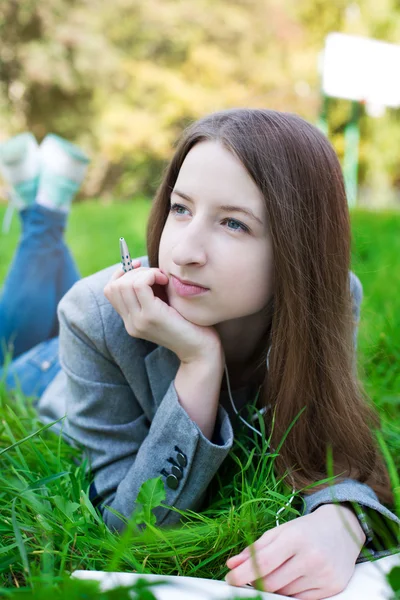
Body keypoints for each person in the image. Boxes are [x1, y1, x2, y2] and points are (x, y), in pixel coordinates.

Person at [0, 110, 399, 600]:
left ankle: (43, 207)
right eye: (181, 208)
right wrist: (199, 364)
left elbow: (334, 438)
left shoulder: (331, 299)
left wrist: (343, 520)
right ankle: (42, 213)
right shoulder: (91, 316)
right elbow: (133, 527)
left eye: (233, 223)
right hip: (43, 372)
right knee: (19, 335)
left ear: (301, 246)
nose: (185, 250)